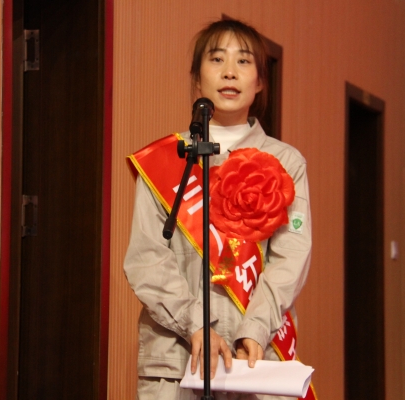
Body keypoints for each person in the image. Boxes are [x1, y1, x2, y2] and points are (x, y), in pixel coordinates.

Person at [124, 18, 313, 400]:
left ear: (260, 81)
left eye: (243, 61)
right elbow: (146, 258)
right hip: (177, 359)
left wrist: (253, 329)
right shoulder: (166, 160)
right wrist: (195, 324)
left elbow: (291, 257)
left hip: (256, 358)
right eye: (216, 59)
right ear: (197, 78)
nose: (229, 72)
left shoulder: (287, 162)